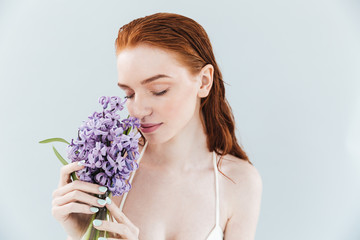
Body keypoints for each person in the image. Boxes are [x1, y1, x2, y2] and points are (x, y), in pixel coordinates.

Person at [51, 12, 263, 240]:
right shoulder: (110, 173)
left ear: (204, 81)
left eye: (159, 90)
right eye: (129, 94)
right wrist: (83, 235)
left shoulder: (239, 182)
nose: (138, 111)